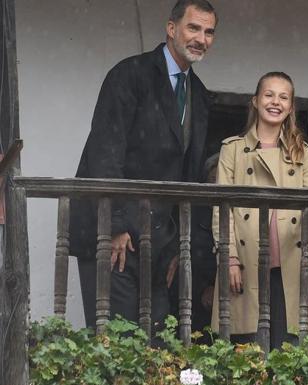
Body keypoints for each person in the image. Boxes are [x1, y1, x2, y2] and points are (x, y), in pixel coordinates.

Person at [69, 0, 218, 331]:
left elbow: (191, 179)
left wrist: (182, 244)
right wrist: (116, 224)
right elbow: (104, 152)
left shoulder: (199, 94)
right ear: (171, 28)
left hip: (160, 243)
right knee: (116, 347)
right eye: (194, 27)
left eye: (209, 32)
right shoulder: (130, 74)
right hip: (113, 234)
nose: (201, 38)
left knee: (158, 348)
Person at [211, 72, 308, 350]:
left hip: (292, 257)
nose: (276, 102)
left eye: (283, 97)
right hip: (247, 258)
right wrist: (230, 258)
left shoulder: (302, 152)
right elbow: (222, 209)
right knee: (250, 350)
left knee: (291, 349)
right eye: (269, 95)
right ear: (255, 101)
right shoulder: (233, 149)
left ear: (291, 106)